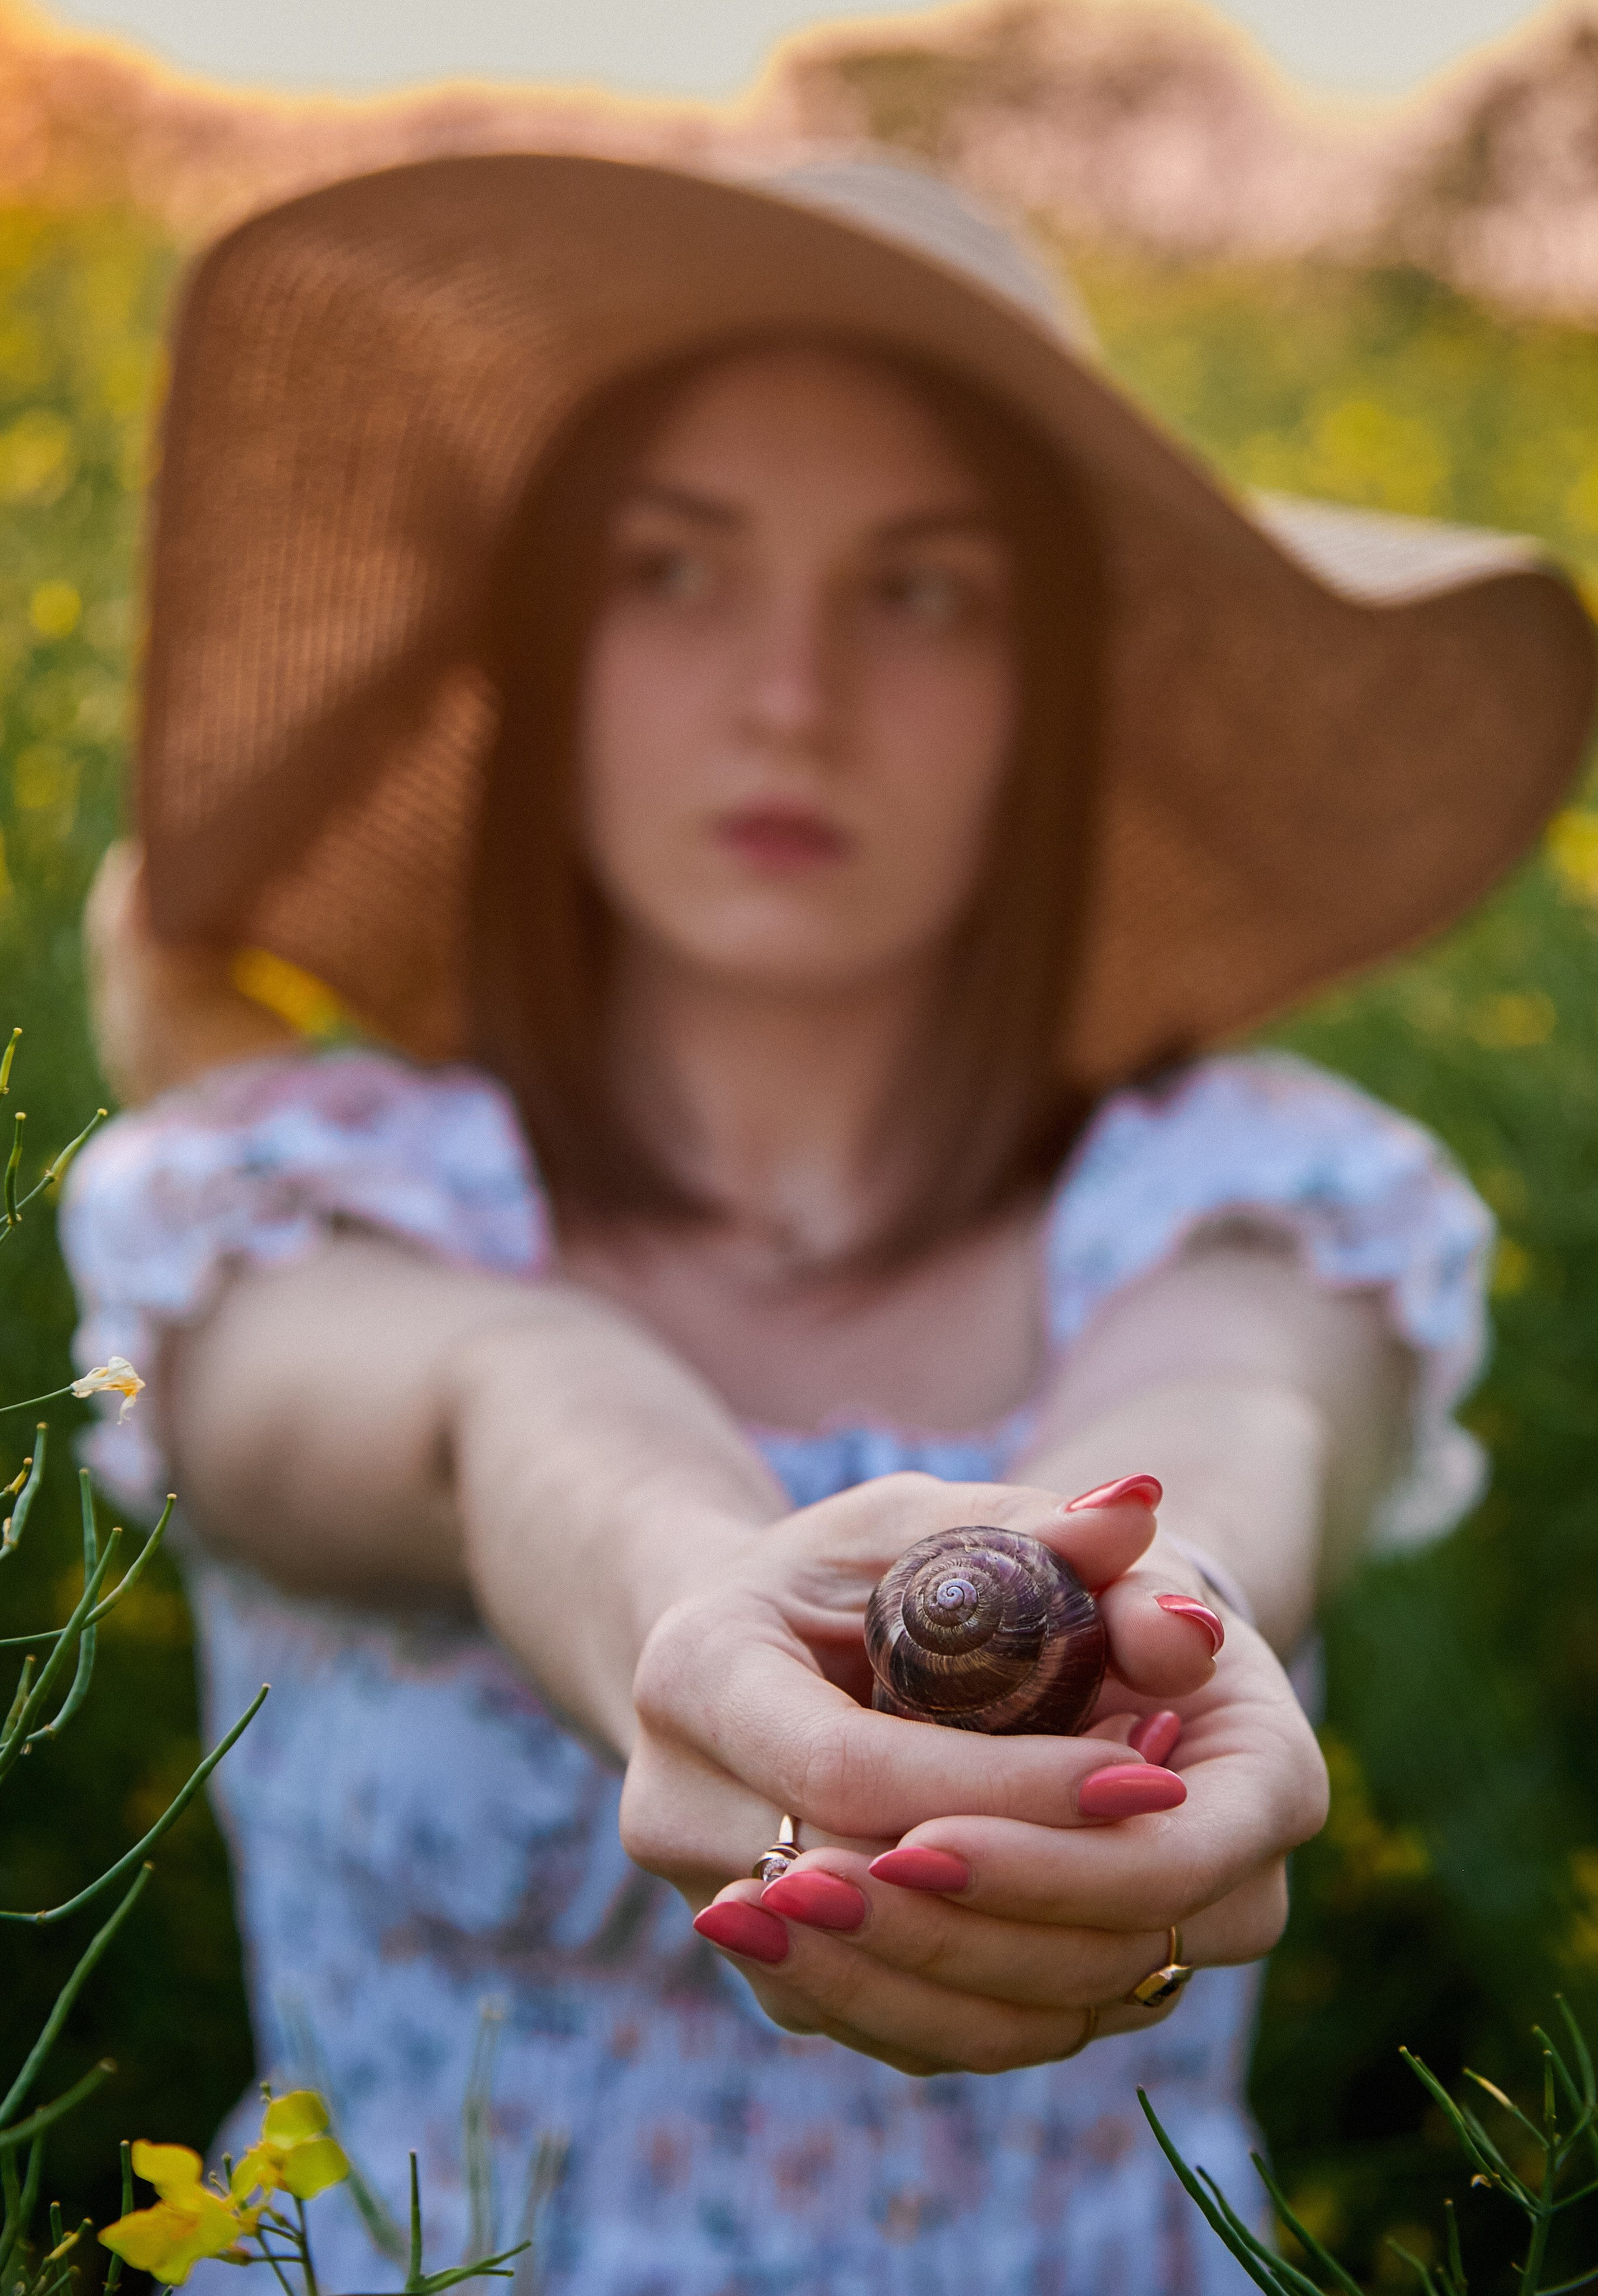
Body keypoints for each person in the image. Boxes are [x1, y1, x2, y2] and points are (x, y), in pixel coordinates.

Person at [62, 152, 1592, 2295]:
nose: (792, 692)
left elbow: (1232, 1417)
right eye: (671, 573)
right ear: (546, 650)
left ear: (1052, 693)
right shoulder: (299, 1195)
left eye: (924, 592)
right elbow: (496, 1397)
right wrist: (689, 1595)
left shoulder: (1260, 1199)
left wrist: (1177, 1612)